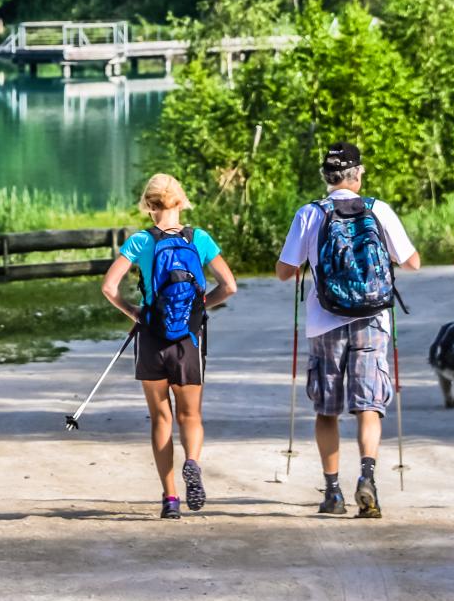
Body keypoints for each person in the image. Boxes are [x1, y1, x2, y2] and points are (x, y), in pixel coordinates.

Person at [274, 141, 420, 518]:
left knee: (327, 409)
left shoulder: (310, 213)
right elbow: (413, 262)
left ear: (326, 177)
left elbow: (284, 271)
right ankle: (367, 477)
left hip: (325, 321)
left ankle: (333, 492)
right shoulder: (378, 210)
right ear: (359, 173)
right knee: (369, 405)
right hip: (372, 319)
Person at [101, 172, 239, 518]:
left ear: (149, 206)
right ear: (181, 201)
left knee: (161, 416)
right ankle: (192, 462)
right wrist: (199, 306)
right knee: (190, 415)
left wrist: (133, 311)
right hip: (188, 339)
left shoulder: (140, 242)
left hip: (151, 336)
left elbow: (108, 287)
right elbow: (230, 286)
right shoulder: (200, 239)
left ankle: (171, 499)